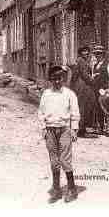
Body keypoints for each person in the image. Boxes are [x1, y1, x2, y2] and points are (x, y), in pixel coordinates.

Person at [38, 65, 80, 203]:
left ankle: (72, 188)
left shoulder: (69, 94)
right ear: (50, 80)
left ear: (63, 79)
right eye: (54, 79)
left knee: (65, 159)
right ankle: (56, 189)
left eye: (59, 78)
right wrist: (43, 127)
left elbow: (75, 113)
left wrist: (74, 129)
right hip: (50, 130)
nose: (57, 82)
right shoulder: (46, 94)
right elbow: (41, 112)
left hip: (64, 130)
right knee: (54, 161)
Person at [70, 46, 98, 137]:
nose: (86, 53)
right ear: (80, 52)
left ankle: (82, 128)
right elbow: (84, 75)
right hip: (81, 86)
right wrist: (93, 81)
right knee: (82, 107)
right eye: (83, 51)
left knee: (84, 106)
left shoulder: (82, 60)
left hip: (81, 85)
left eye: (87, 51)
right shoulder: (81, 61)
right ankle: (81, 130)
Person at [92, 45, 109, 135]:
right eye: (96, 54)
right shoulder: (95, 65)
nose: (98, 55)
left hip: (105, 89)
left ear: (103, 54)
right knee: (98, 109)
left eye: (99, 54)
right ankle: (100, 127)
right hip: (97, 89)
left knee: (107, 108)